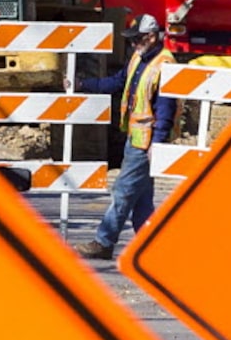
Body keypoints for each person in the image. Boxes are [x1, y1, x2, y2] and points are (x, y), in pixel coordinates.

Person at [72, 13, 176, 260]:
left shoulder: (165, 64)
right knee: (141, 198)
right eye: (131, 41)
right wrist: (83, 85)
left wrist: (157, 143)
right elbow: (117, 82)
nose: (133, 45)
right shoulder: (138, 58)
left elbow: (166, 107)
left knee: (123, 190)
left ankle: (104, 241)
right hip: (136, 136)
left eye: (136, 40)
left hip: (146, 141)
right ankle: (150, 245)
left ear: (151, 37)